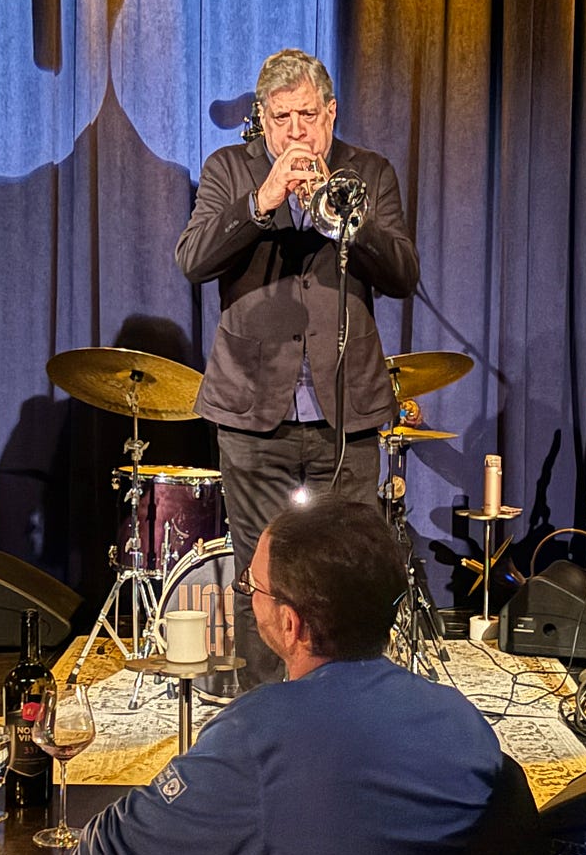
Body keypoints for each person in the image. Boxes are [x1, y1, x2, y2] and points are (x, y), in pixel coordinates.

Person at [67, 498, 503, 855]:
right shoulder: (466, 724)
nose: (247, 594)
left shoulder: (252, 739)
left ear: (291, 624)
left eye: (251, 585)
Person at [175, 49, 420, 693]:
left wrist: (346, 225)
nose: (295, 132)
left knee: (349, 581)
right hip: (253, 414)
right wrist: (262, 202)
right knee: (265, 583)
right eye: (281, 118)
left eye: (307, 116)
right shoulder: (230, 169)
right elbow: (193, 260)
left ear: (331, 113)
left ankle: (346, 720)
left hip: (347, 415)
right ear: (262, 118)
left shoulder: (368, 172)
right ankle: (270, 723)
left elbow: (402, 274)